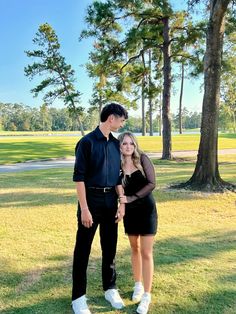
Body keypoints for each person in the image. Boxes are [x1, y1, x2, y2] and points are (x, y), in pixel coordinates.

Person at [72, 103, 128, 314]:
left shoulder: (116, 144)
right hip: (90, 201)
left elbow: (118, 177)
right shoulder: (86, 143)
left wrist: (121, 203)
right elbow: (79, 179)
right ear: (111, 118)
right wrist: (84, 209)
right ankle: (78, 298)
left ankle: (110, 288)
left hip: (110, 201)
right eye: (121, 120)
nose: (122, 124)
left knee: (110, 247)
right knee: (83, 250)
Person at [118, 131, 157, 314]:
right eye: (124, 143)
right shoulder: (117, 166)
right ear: (120, 146)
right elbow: (117, 188)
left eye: (131, 144)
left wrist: (131, 198)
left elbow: (151, 184)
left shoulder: (142, 159)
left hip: (147, 209)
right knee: (134, 248)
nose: (128, 147)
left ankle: (147, 296)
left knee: (146, 252)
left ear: (135, 145)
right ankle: (138, 285)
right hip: (131, 213)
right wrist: (122, 204)